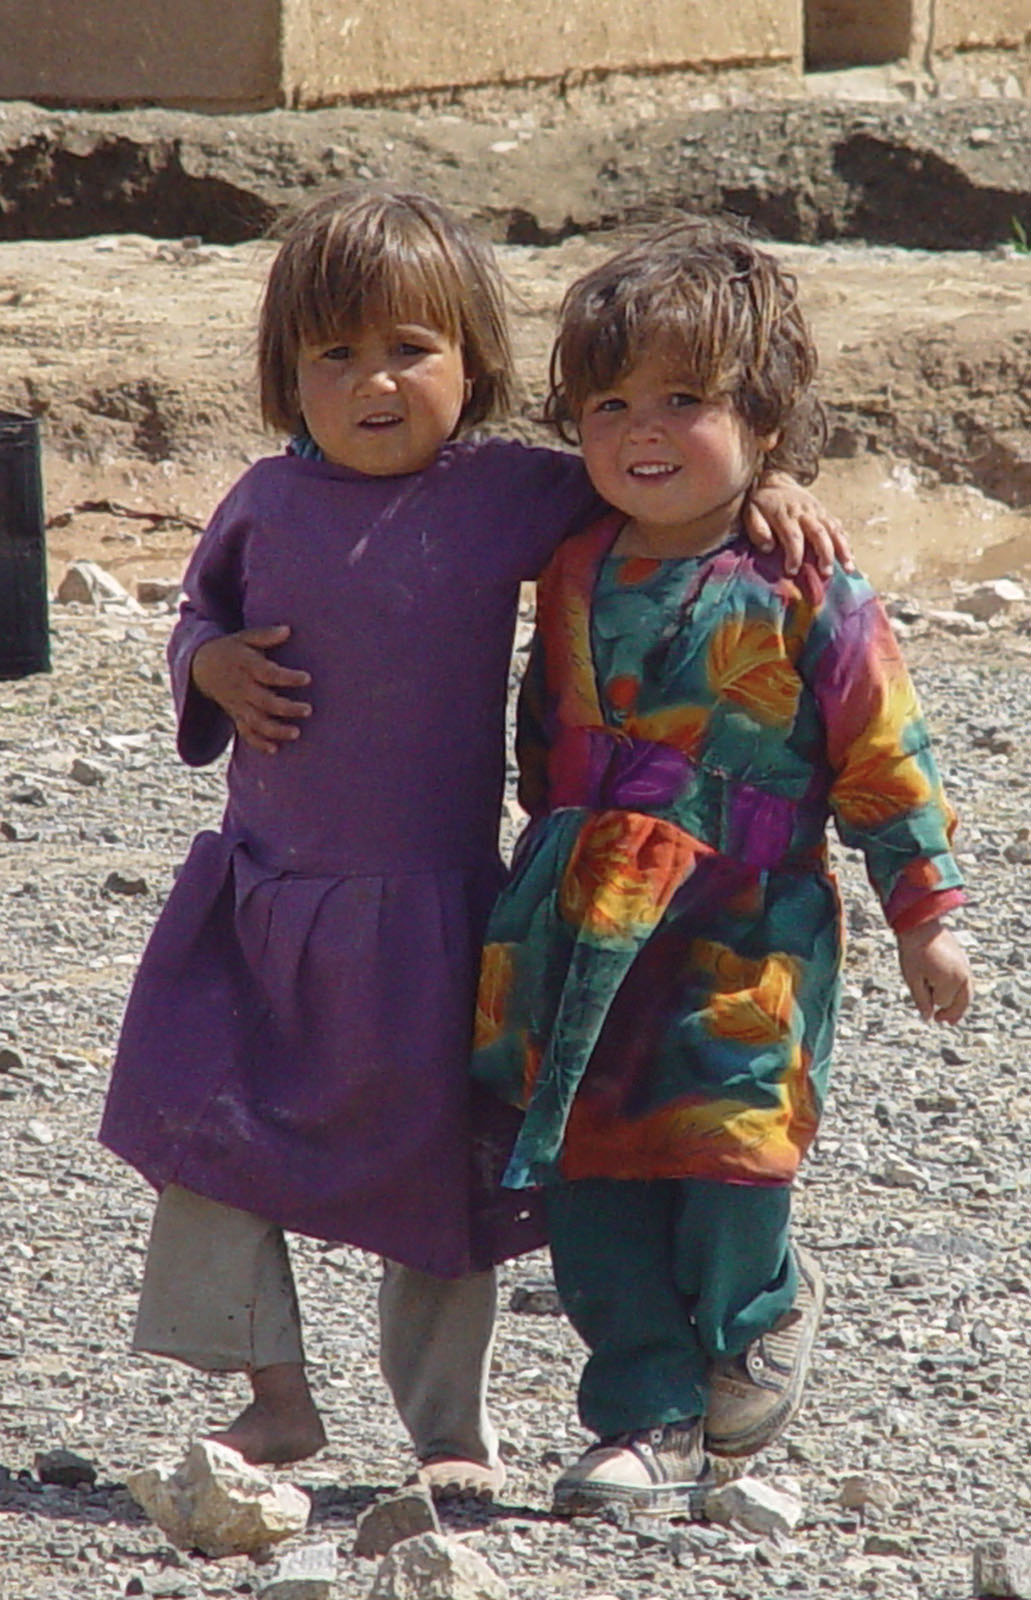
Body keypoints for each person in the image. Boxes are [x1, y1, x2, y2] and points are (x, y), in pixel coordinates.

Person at [99, 187, 847, 1496]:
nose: (373, 381)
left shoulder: (510, 494)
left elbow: (657, 474)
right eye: (334, 354)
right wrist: (208, 663)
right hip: (266, 901)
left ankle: (450, 1434)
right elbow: (193, 622)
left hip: (436, 914)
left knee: (434, 1183)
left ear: (475, 365)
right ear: (287, 374)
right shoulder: (263, 503)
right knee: (200, 1135)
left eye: (408, 348)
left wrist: (769, 494)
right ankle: (274, 1400)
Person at [471, 214, 973, 1516]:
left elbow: (883, 756)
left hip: (748, 930)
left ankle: (757, 1313)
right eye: (611, 404)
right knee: (591, 1170)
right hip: (585, 929)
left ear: (762, 420)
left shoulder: (808, 586)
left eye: (686, 402)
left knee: (733, 1147)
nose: (643, 431)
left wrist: (926, 913)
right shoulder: (575, 562)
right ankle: (647, 1412)